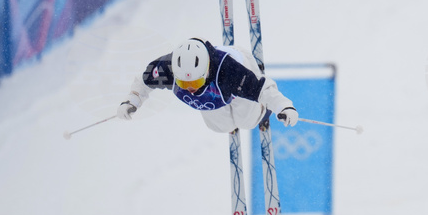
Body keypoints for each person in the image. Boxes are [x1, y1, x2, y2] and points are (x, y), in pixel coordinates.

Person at [116, 38, 298, 132]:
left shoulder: (229, 71)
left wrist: (283, 106)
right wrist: (132, 101)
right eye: (182, 82)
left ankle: (260, 112)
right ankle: (230, 119)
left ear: (206, 70)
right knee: (219, 127)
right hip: (214, 98)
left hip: (237, 74)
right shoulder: (168, 68)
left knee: (247, 122)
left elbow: (263, 89)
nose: (189, 88)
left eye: (195, 81)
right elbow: (143, 81)